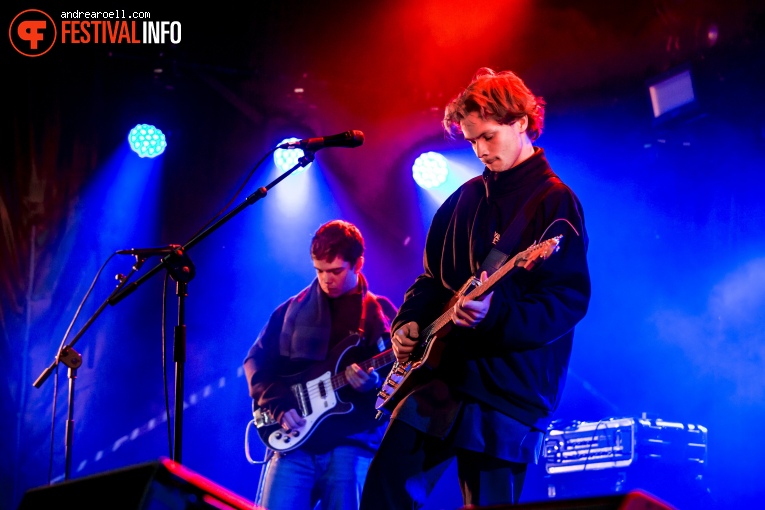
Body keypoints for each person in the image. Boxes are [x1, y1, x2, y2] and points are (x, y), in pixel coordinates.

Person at [360, 68, 591, 508]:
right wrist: (408, 322)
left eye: (488, 136)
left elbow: (567, 299)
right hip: (441, 375)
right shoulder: (463, 199)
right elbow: (431, 280)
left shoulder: (556, 201)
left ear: (521, 121)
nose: (480, 150)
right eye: (471, 141)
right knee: (383, 494)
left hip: (507, 392)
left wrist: (495, 316)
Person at [243, 220, 397, 510]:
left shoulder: (378, 313)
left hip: (352, 444)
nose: (327, 280)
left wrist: (374, 384)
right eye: (319, 271)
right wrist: (278, 404)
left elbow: (402, 375)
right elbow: (255, 362)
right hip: (294, 444)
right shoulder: (291, 310)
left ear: (358, 264)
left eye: (336, 271)